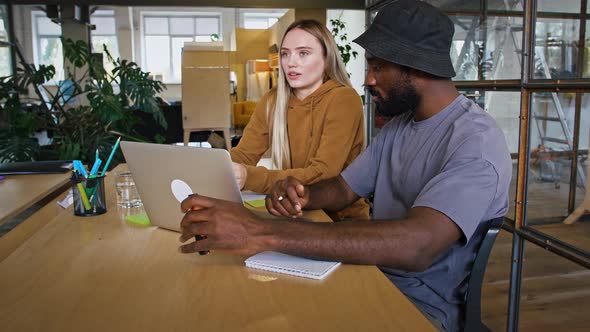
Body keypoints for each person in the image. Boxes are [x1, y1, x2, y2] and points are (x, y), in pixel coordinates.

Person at [178, 1, 512, 331]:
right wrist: (304, 194)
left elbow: (416, 246)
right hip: (367, 272)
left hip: (417, 305)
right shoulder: (399, 127)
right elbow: (343, 187)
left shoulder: (475, 143)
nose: (367, 79)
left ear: (416, 68)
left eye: (378, 67)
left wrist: (257, 230)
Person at [230, 19, 369, 221]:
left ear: (326, 58)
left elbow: (323, 174)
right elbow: (244, 154)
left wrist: (250, 177)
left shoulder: (344, 99)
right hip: (294, 213)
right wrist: (221, 170)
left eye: (303, 53)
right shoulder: (272, 101)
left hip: (340, 222)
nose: (291, 62)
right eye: (285, 54)